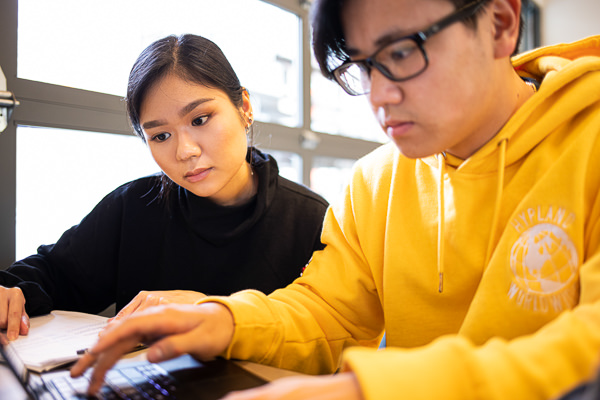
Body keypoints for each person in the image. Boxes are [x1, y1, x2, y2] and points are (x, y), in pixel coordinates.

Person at [71, 0, 600, 399]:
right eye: (361, 66)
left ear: (501, 24)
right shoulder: (378, 179)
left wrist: (362, 390)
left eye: (401, 52)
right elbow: (329, 313)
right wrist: (226, 320)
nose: (379, 95)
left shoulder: (589, 142)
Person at [0, 34, 328, 342]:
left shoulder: (312, 220)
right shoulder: (135, 206)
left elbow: (328, 335)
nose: (184, 151)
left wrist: (211, 312)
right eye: (160, 136)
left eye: (200, 119)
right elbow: (53, 273)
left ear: (244, 107)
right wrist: (11, 290)